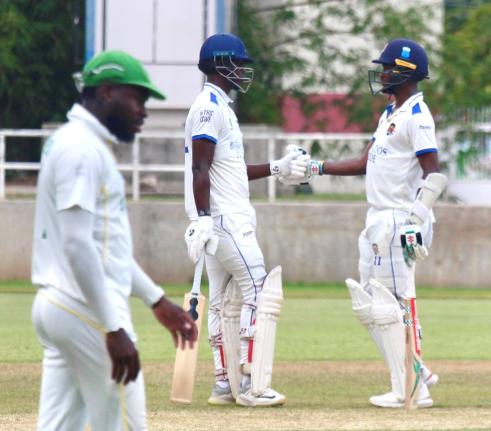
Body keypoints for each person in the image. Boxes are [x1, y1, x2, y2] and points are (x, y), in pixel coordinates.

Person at [31, 50, 197, 430]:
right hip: (85, 306)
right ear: (107, 92)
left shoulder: (74, 142)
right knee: (125, 424)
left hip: (60, 305)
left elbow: (107, 246)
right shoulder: (82, 150)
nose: (144, 111)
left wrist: (155, 299)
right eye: (137, 99)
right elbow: (76, 244)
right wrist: (112, 327)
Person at [282, 39, 446, 408]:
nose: (382, 74)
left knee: (394, 305)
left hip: (399, 219)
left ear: (405, 73)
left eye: (388, 68)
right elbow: (364, 162)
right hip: (377, 218)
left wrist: (415, 221)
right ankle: (414, 369)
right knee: (371, 305)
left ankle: (411, 388)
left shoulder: (417, 116)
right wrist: (315, 168)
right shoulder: (391, 112)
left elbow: (434, 175)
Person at [183, 33, 307, 407]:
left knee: (220, 302)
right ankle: (253, 382)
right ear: (221, 65)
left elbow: (230, 170)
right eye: (237, 64)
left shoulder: (222, 107)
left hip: (219, 218)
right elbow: (200, 167)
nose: (241, 71)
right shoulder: (209, 108)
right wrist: (204, 218)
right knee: (257, 286)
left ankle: (224, 384)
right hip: (224, 220)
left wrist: (277, 168)